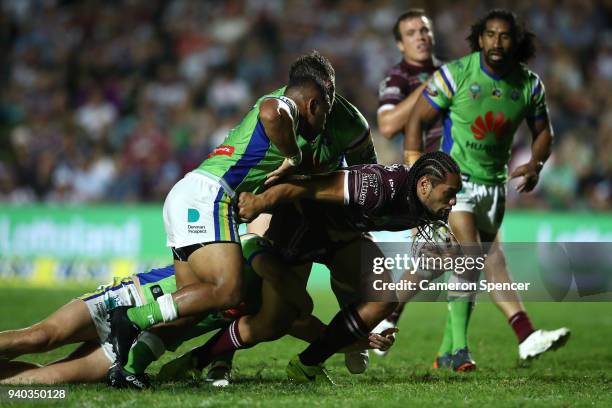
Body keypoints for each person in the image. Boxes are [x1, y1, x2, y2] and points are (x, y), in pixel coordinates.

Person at [107, 51, 339, 366]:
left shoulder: (286, 112)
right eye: (325, 113)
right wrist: (295, 157)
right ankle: (130, 318)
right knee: (229, 291)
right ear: (313, 105)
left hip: (189, 193)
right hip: (211, 196)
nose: (324, 122)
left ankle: (129, 366)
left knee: (192, 307)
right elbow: (272, 113)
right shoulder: (283, 106)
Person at [183, 152, 462, 384]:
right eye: (450, 194)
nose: (454, 202)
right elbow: (308, 187)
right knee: (274, 317)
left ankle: (307, 363)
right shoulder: (375, 186)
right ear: (425, 184)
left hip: (344, 239)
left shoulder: (427, 204)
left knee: (383, 297)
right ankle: (207, 357)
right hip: (302, 229)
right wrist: (262, 202)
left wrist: (433, 266)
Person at [404, 9, 569, 371]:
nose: (496, 41)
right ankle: (499, 341)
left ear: (515, 41)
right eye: (490, 34)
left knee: (467, 262)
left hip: (494, 185)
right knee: (480, 257)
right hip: (455, 182)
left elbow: (544, 133)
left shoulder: (528, 85)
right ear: (479, 38)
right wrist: (414, 167)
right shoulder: (456, 74)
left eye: (504, 36)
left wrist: (537, 163)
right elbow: (417, 118)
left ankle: (438, 346)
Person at [0, 234, 394, 387]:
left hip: (148, 339)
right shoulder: (252, 252)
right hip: (133, 301)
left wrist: (356, 338)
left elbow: (307, 326)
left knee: (44, 384)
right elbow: (261, 253)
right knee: (39, 338)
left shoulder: (276, 302)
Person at [374, 8, 444, 349]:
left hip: (465, 175)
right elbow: (387, 126)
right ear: (401, 44)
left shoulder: (453, 73)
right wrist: (432, 87)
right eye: (411, 32)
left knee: (467, 257)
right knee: (440, 257)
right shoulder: (399, 78)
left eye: (424, 29)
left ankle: (388, 317)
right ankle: (382, 318)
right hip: (428, 178)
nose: (420, 36)